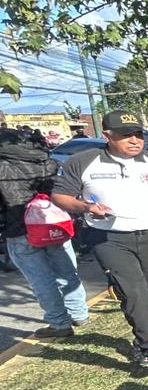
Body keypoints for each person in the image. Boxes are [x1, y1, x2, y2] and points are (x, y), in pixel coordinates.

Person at [52, 110, 148, 369]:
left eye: (138, 134)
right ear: (107, 136)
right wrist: (85, 207)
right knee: (133, 293)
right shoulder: (84, 162)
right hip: (110, 238)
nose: (134, 140)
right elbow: (60, 196)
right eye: (125, 135)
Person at [0, 127, 90, 337]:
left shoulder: (2, 167)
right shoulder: (46, 160)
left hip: (20, 229)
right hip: (54, 225)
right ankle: (80, 314)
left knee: (41, 279)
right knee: (67, 272)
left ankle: (59, 324)